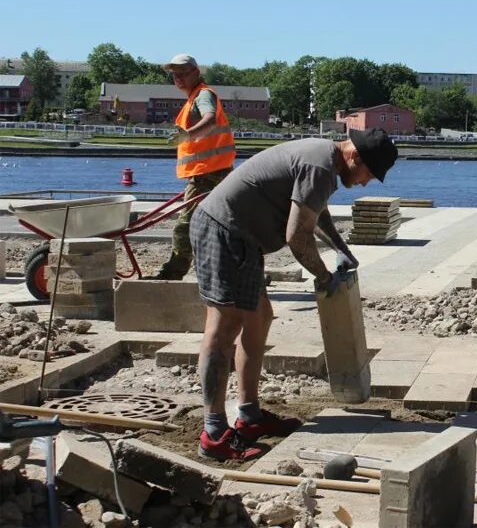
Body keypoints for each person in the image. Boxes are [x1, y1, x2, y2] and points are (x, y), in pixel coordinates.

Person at [190, 128, 397, 460]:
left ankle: (249, 416)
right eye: (369, 174)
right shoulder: (320, 167)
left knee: (260, 317)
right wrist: (325, 276)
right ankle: (214, 432)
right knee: (224, 325)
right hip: (224, 230)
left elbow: (316, 213)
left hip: (241, 236)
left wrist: (341, 249)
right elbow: (297, 237)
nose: (365, 183)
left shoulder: (324, 160)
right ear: (354, 156)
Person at [149, 54, 235, 280]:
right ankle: (238, 270)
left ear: (196, 73)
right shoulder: (194, 97)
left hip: (208, 173)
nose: (178, 78)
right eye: (175, 75)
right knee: (218, 225)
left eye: (183, 73)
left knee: (185, 227)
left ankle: (173, 274)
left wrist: (188, 135)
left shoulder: (203, 96)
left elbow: (210, 119)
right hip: (210, 172)